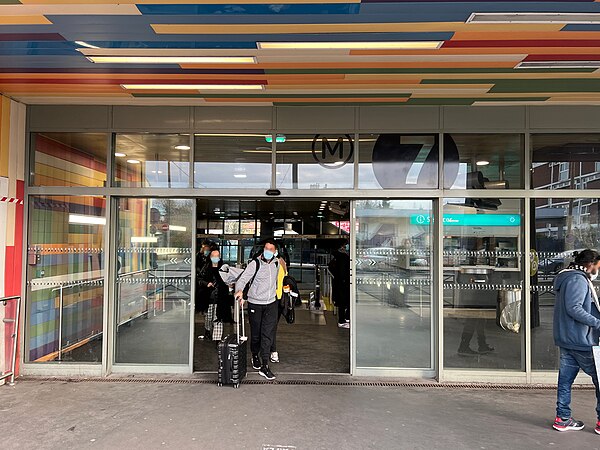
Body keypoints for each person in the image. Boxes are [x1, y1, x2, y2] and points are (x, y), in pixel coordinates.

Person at [552, 249, 600, 433]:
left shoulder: (567, 277)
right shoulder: (577, 280)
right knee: (598, 380)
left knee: (565, 381)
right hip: (580, 340)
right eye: (597, 266)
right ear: (590, 265)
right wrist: (597, 323)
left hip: (567, 338)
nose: (597, 270)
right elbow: (574, 308)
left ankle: (562, 418)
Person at [235, 239, 280, 381]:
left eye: (271, 249)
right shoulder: (255, 264)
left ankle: (265, 365)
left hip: (271, 303)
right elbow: (242, 280)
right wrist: (239, 291)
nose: (268, 251)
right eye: (266, 248)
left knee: (267, 334)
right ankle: (255, 355)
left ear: (275, 251)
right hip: (255, 303)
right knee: (256, 334)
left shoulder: (277, 263)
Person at [270, 250, 288, 364]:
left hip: (276, 299)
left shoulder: (280, 263)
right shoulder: (282, 262)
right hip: (275, 298)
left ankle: (272, 350)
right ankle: (272, 351)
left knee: (271, 327)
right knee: (271, 326)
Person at [329, 239, 350, 328]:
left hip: (340, 282)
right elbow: (342, 270)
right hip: (344, 282)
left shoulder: (337, 256)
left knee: (344, 301)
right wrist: (343, 279)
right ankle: (342, 320)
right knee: (344, 301)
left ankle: (346, 317)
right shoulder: (343, 257)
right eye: (345, 245)